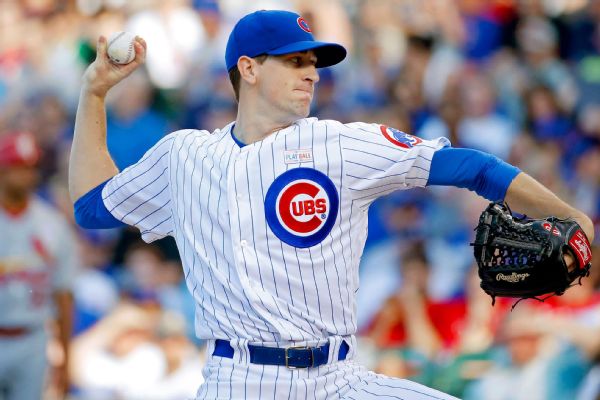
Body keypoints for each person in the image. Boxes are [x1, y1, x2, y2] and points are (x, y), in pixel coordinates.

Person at [69, 9, 594, 400]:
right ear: (248, 68)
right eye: (295, 61)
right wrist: (93, 96)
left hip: (338, 380)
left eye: (314, 62)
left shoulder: (340, 144)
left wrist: (570, 215)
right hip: (238, 381)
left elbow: (472, 167)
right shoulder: (184, 156)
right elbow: (92, 207)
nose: (313, 73)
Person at [0, 131, 76, 400]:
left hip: (32, 337)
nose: (26, 175)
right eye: (17, 167)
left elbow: (64, 296)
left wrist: (66, 360)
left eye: (30, 167)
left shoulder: (52, 224)